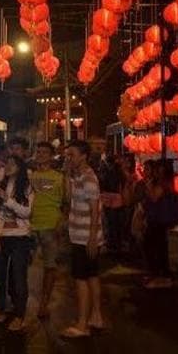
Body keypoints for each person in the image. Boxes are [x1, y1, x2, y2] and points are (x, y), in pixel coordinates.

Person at [61, 140, 104, 338]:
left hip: (85, 237)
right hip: (82, 235)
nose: (69, 158)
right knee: (92, 276)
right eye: (68, 155)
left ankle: (82, 324)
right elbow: (69, 200)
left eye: (72, 155)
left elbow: (96, 210)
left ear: (84, 156)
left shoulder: (88, 178)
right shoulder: (77, 176)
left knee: (81, 279)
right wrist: (67, 175)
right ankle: (95, 316)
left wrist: (92, 239)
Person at [0, 155, 34, 332]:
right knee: (0, 276)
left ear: (20, 167)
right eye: (7, 163)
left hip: (20, 237)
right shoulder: (0, 184)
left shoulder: (26, 187)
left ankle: (20, 315)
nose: (8, 166)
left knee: (19, 277)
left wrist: (7, 199)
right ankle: (0, 310)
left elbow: (26, 212)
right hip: (2, 235)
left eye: (12, 164)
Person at [29, 140, 65, 319]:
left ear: (51, 156)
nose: (41, 155)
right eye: (38, 152)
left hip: (50, 227)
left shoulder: (59, 178)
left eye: (44, 152)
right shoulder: (29, 176)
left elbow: (66, 203)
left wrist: (60, 224)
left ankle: (44, 303)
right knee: (26, 266)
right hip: (30, 226)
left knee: (50, 267)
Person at [142, 160, 178, 289]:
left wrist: (147, 186)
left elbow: (154, 197)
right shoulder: (166, 182)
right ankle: (160, 275)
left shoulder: (163, 183)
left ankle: (160, 276)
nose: (155, 172)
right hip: (158, 219)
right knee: (157, 246)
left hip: (159, 219)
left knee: (155, 247)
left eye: (158, 169)